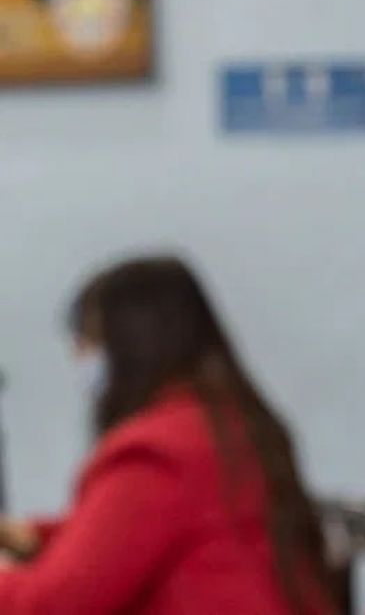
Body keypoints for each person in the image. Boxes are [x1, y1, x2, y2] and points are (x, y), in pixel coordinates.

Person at [0, 257, 333, 614]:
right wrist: (34, 536)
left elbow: (54, 603)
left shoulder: (155, 454)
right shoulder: (232, 425)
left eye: (87, 343)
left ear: (130, 346)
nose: (78, 358)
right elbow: (132, 533)